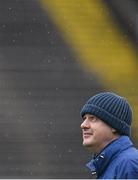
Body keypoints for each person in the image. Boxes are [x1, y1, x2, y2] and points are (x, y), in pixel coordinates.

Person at [80, 92, 138, 179]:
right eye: (85, 118)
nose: (83, 125)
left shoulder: (130, 164)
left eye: (92, 118)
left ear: (114, 126)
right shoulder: (106, 165)